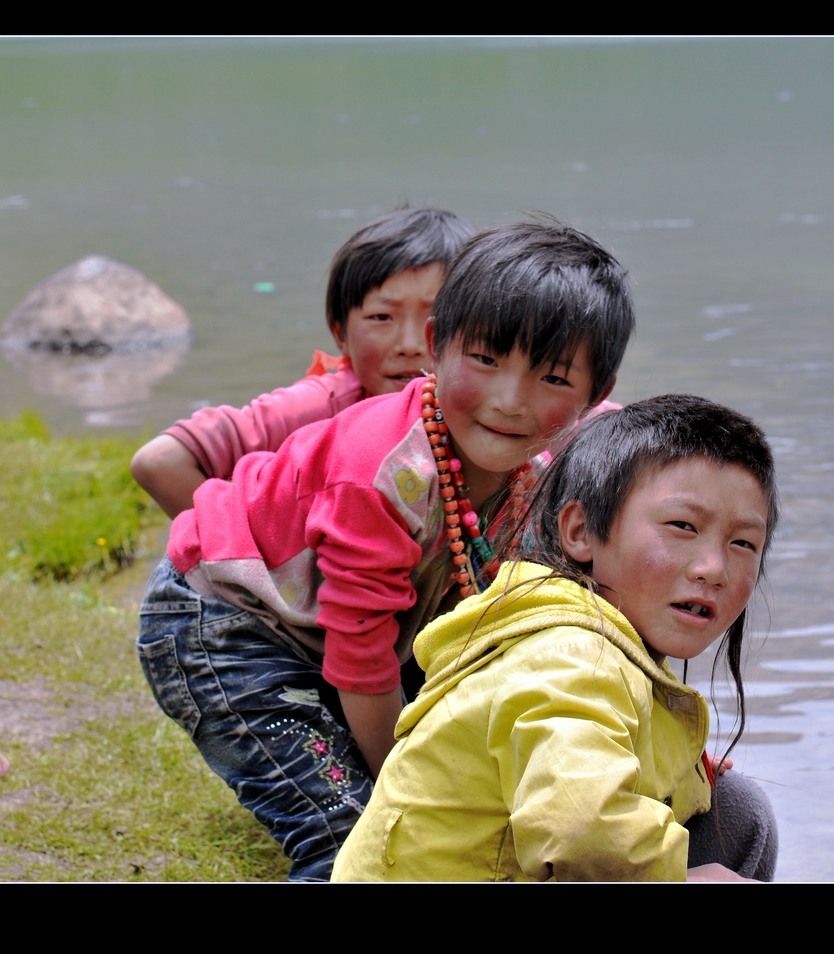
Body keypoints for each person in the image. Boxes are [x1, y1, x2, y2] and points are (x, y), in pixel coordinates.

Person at [136, 218, 636, 881]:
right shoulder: (383, 474)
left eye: (551, 377)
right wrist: (409, 789)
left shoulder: (574, 442)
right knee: (357, 835)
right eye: (484, 360)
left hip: (347, 630)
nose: (509, 401)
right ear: (438, 348)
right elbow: (363, 667)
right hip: (225, 623)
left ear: (591, 394)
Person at [331, 393, 780, 882]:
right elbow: (583, 827)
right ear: (581, 530)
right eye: (682, 526)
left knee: (731, 809)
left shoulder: (605, 636)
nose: (713, 568)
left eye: (743, 543)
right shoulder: (572, 656)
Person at [130, 207, 476, 518]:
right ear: (340, 333)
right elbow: (160, 462)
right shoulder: (319, 409)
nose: (410, 345)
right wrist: (249, 565)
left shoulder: (487, 408)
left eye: (436, 319)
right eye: (382, 316)